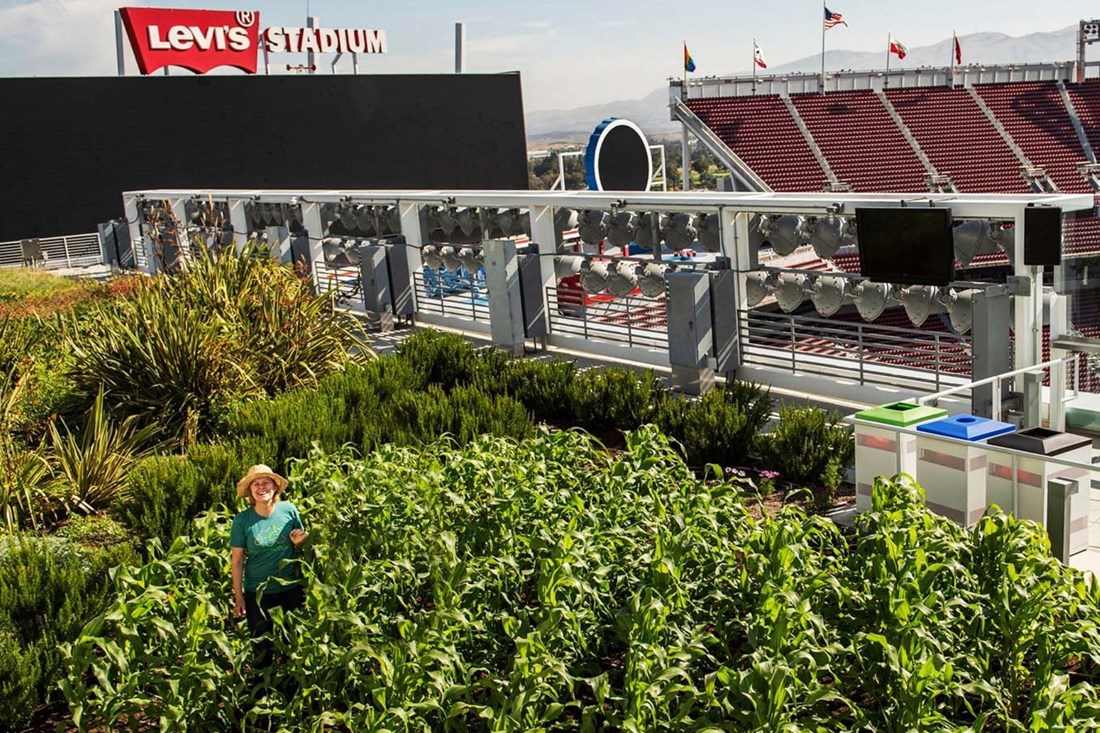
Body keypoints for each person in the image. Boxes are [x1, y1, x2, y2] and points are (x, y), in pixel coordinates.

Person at [230, 464, 308, 670]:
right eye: (256, 483)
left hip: (290, 589)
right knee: (262, 647)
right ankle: (262, 690)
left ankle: (290, 686)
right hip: (258, 593)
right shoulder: (242, 521)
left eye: (266, 482)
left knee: (293, 642)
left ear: (275, 487)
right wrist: (239, 597)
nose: (261, 487)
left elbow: (301, 541)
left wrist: (300, 542)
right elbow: (237, 561)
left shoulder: (289, 510)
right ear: (250, 492)